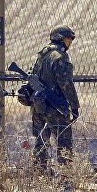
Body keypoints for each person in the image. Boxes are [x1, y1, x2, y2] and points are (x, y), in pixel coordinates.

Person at [30, 25, 80, 173]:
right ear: (61, 38)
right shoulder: (60, 56)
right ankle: (66, 179)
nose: (71, 41)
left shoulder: (41, 56)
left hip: (38, 106)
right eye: (69, 38)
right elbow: (66, 84)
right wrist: (74, 106)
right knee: (64, 143)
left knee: (41, 142)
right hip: (55, 108)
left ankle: (39, 176)